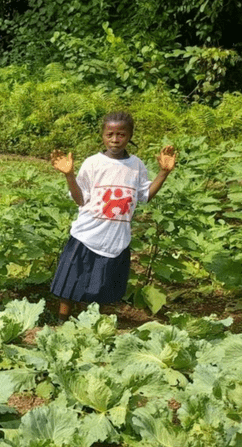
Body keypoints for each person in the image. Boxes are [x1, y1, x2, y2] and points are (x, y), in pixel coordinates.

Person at [49, 111, 176, 321]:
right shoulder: (93, 163)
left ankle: (92, 325)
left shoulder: (136, 165)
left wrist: (163, 173)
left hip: (116, 236)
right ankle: (62, 322)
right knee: (69, 282)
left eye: (121, 135)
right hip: (87, 233)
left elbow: (145, 196)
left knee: (101, 285)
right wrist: (69, 175)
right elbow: (81, 199)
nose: (115, 140)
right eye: (110, 134)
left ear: (130, 136)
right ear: (102, 135)